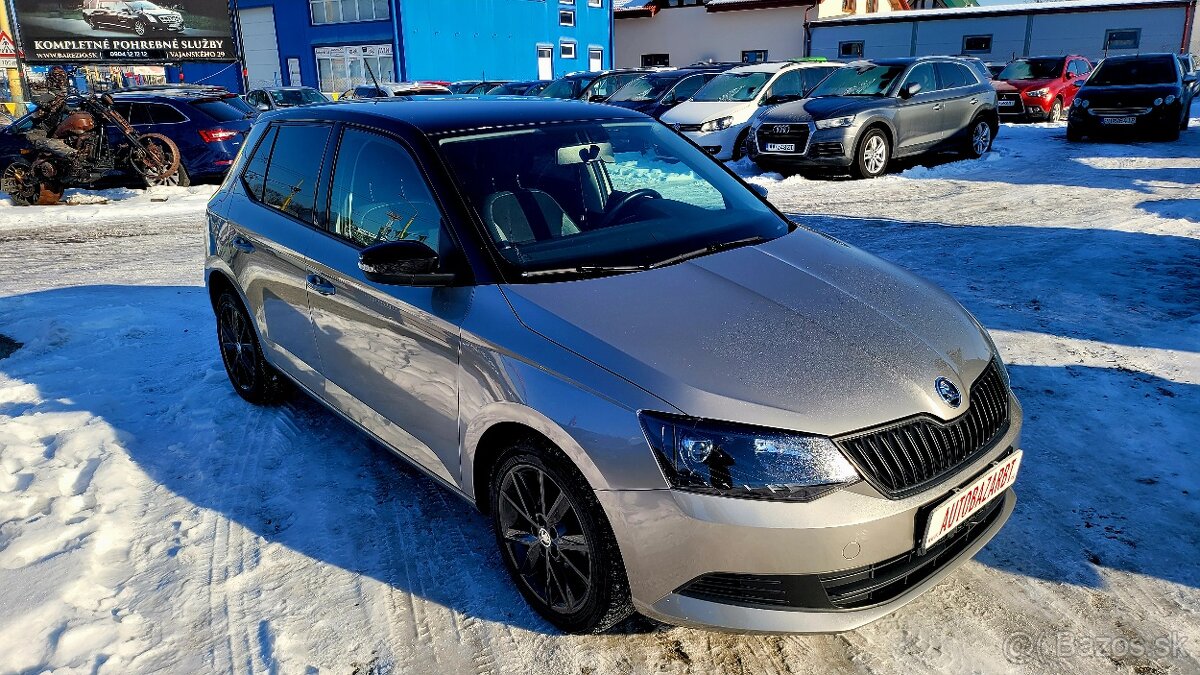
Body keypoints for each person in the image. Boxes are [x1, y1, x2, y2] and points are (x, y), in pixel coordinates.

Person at [24, 67, 77, 160]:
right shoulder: (51, 96)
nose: (61, 80)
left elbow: (70, 110)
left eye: (62, 76)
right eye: (58, 76)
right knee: (51, 143)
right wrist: (47, 106)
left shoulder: (62, 101)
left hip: (53, 132)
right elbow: (35, 99)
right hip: (39, 133)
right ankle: (74, 154)